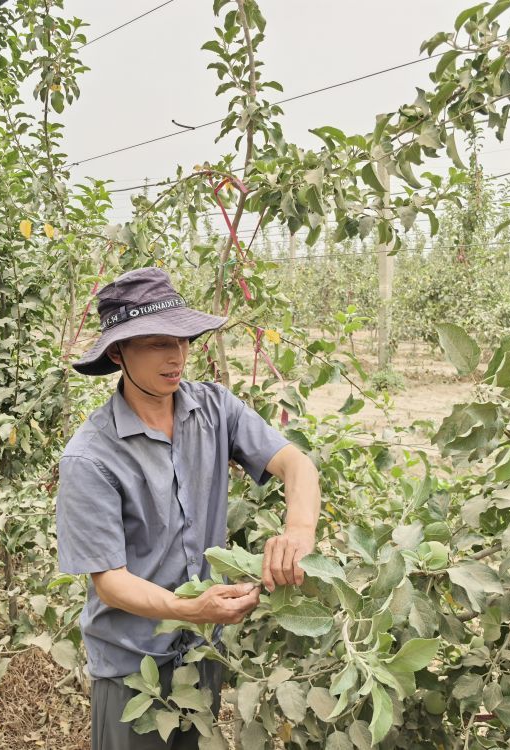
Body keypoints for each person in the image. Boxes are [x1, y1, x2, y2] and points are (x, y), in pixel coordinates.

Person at [57, 267, 321, 749]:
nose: (176, 356)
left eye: (182, 339)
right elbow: (110, 583)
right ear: (117, 353)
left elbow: (296, 464)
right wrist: (189, 608)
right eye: (157, 343)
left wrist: (299, 532)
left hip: (203, 656)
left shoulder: (215, 408)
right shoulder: (91, 457)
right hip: (132, 670)